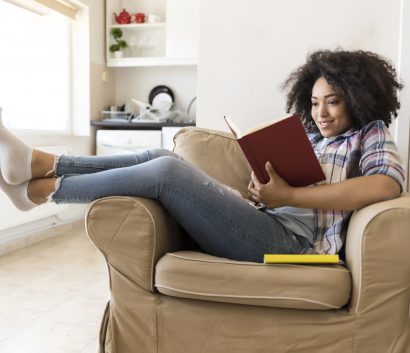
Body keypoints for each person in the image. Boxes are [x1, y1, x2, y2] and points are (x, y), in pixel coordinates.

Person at [0, 49, 405, 262]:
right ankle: (41, 164)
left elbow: (384, 185)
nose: (321, 112)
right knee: (165, 156)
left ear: (357, 99)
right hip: (267, 224)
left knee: (165, 174)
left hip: (296, 248)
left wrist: (290, 198)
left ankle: (46, 191)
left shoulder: (371, 134)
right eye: (315, 102)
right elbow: (282, 195)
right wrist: (264, 192)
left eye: (332, 102)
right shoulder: (312, 138)